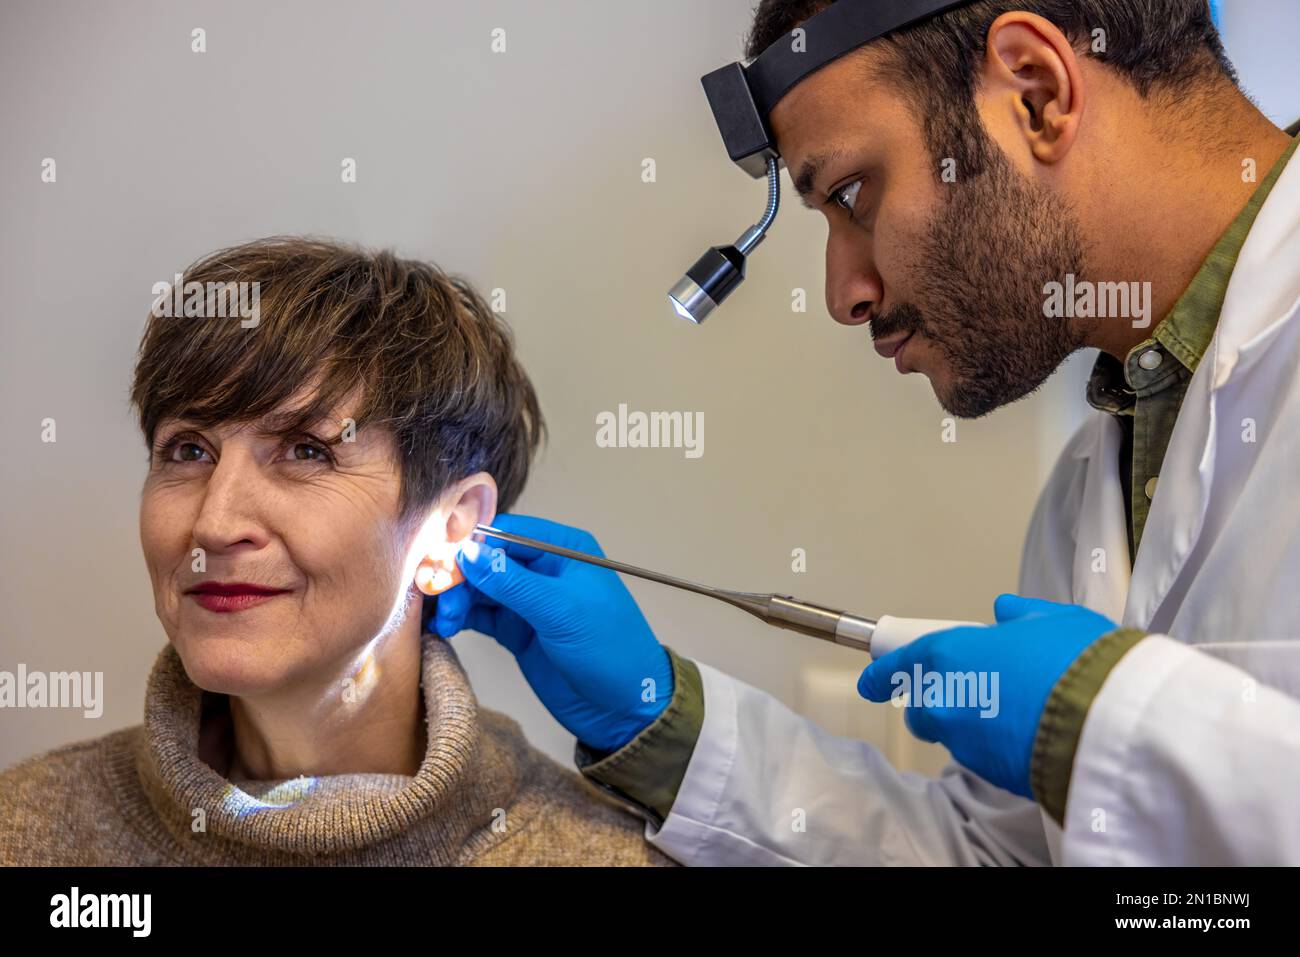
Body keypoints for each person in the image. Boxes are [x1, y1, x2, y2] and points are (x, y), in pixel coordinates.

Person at [435, 0, 1300, 865]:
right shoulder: (1091, 489)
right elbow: (1002, 857)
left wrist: (1105, 717)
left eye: (851, 193)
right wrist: (663, 720)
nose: (844, 292)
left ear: (1036, 92)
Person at [0, 237, 671, 866]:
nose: (214, 523)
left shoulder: (590, 854)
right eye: (189, 450)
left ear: (451, 530)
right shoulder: (28, 829)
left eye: (306, 450)